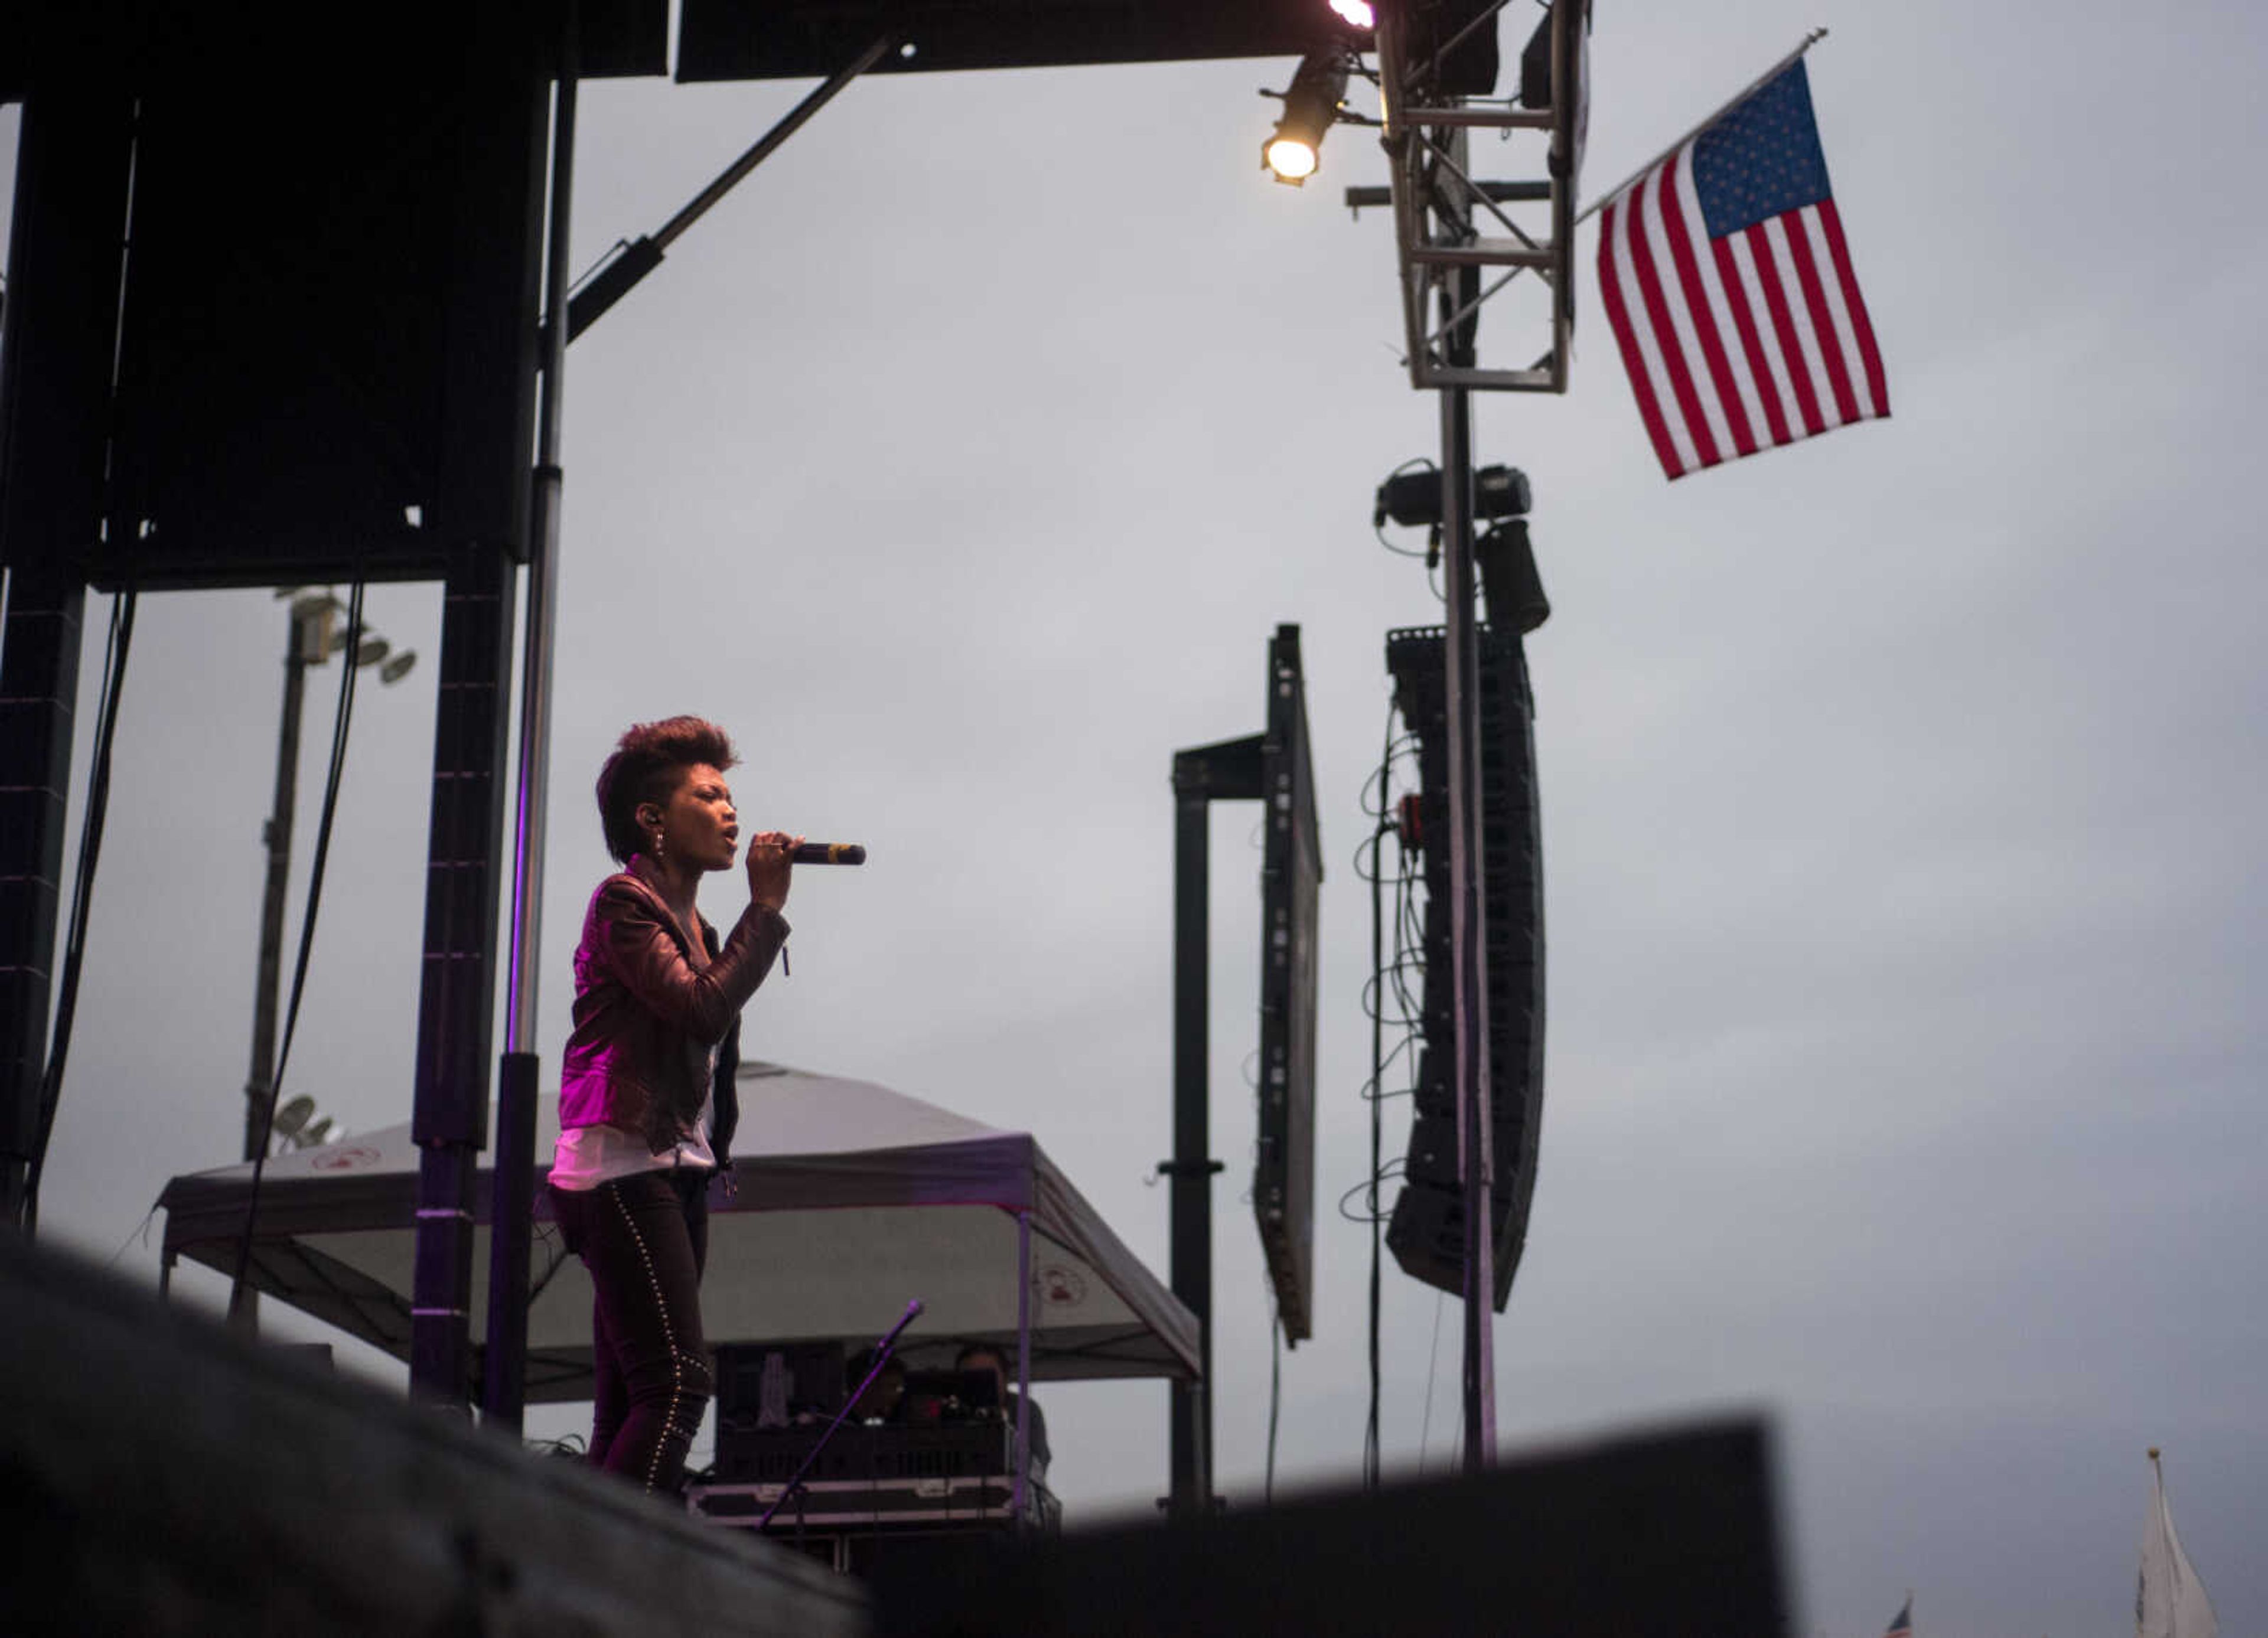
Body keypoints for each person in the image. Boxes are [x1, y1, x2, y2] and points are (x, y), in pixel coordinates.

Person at [546, 716, 799, 1495]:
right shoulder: (623, 903)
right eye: (710, 795)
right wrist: (766, 911)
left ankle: (594, 1565)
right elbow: (700, 1011)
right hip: (622, 1168)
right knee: (680, 1385)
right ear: (653, 819)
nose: (731, 813)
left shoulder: (700, 926)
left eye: (731, 796)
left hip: (676, 1171)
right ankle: (620, 1564)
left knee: (631, 1396)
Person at [956, 1342, 1050, 1480]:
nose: (980, 1381)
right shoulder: (948, 1413)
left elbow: (1036, 1464)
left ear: (1005, 1378)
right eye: (972, 1375)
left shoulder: (1025, 1410)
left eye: (988, 1375)